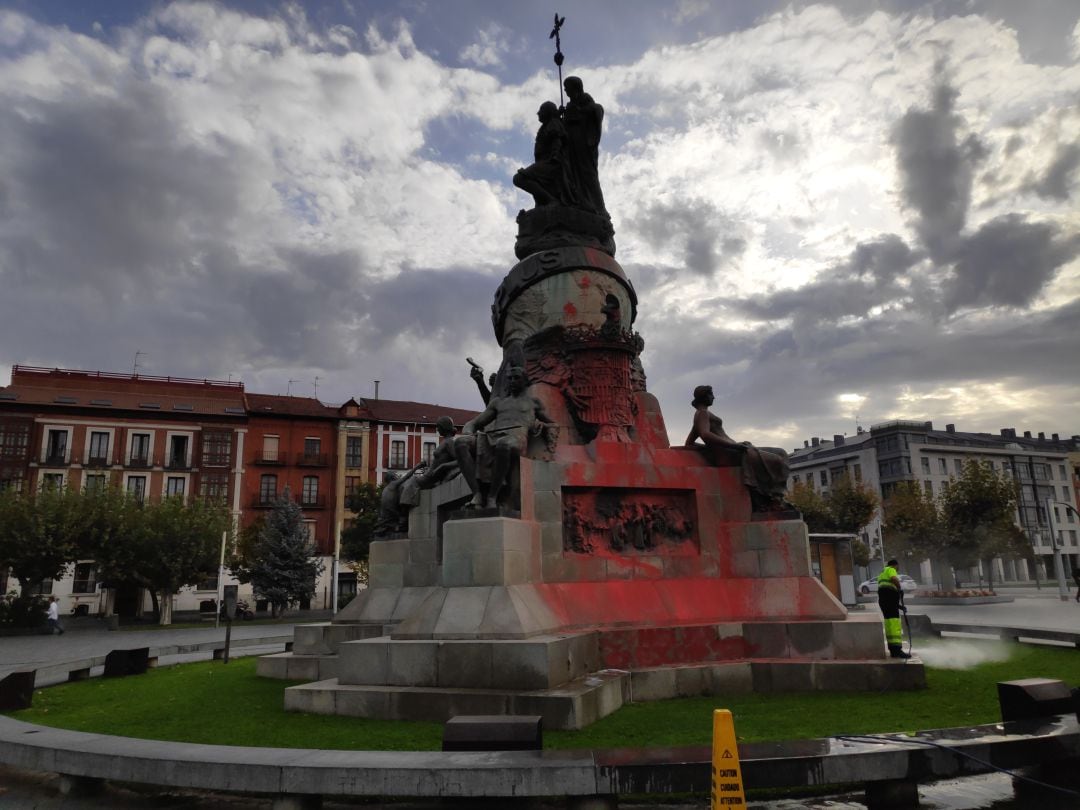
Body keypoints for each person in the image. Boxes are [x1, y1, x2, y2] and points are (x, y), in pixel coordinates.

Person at [458, 366, 556, 508]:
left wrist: (542, 424)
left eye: (516, 378)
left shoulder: (533, 403)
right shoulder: (498, 402)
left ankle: (492, 497)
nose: (512, 381)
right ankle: (477, 494)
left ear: (525, 381)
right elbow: (475, 423)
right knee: (461, 443)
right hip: (494, 436)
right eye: (509, 378)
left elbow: (553, 423)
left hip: (517, 437)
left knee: (503, 444)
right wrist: (468, 430)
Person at [684, 385, 791, 512]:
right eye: (711, 394)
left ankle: (775, 497)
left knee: (782, 452)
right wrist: (733, 446)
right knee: (777, 460)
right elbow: (705, 434)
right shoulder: (702, 414)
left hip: (735, 449)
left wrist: (709, 448)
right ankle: (774, 498)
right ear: (704, 396)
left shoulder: (701, 414)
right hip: (732, 453)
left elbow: (689, 443)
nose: (713, 397)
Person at [560, 76, 609, 219]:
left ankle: (600, 208)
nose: (565, 90)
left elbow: (596, 111)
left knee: (589, 175)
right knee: (572, 175)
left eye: (567, 87)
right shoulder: (570, 105)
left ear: (575, 87)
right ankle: (580, 202)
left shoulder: (588, 102)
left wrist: (578, 111)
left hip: (584, 146)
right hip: (572, 147)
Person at [513, 101, 573, 207]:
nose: (538, 113)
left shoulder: (553, 123)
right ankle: (547, 200)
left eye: (541, 110)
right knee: (525, 180)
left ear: (548, 112)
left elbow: (557, 140)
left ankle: (552, 200)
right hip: (545, 162)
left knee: (519, 178)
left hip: (551, 163)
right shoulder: (549, 124)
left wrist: (554, 157)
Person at [877, 559, 910, 659]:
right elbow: (894, 579)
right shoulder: (891, 569)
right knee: (895, 624)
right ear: (895, 565)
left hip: (885, 602)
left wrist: (899, 606)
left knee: (889, 625)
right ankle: (898, 650)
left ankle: (893, 650)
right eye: (898, 567)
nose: (898, 569)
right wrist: (899, 589)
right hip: (889, 601)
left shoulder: (882, 573)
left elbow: (887, 595)